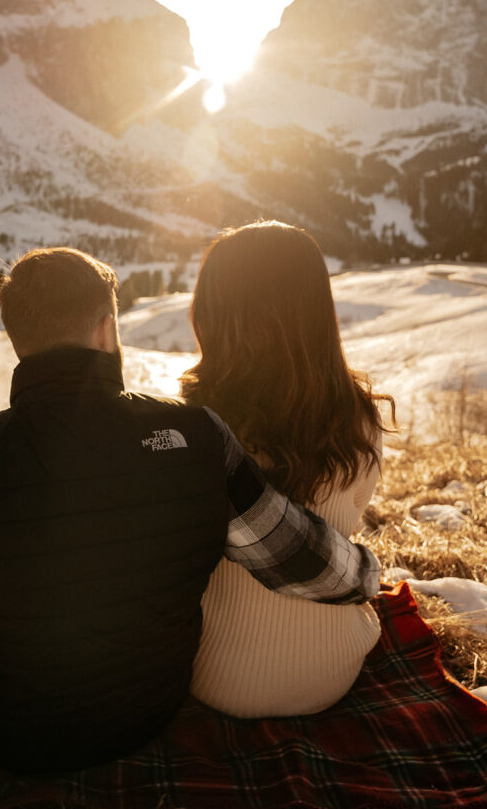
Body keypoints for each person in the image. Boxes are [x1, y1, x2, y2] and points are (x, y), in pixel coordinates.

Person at [0, 246, 381, 809]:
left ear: (16, 337)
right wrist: (365, 574)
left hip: (16, 740)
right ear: (107, 327)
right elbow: (290, 554)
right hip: (149, 717)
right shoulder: (196, 436)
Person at [182, 221, 395, 716]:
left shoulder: (194, 427)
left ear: (215, 313)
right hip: (332, 674)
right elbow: (356, 509)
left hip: (212, 674)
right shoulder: (360, 418)